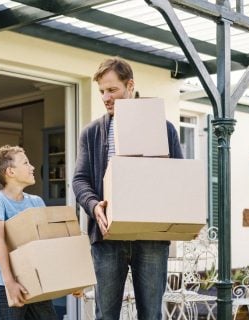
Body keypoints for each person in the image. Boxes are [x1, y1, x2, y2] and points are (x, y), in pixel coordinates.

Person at [73, 57, 184, 320]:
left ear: (130, 85)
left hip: (151, 237)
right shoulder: (91, 133)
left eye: (112, 90)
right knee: (106, 316)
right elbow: (79, 180)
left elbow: (178, 177)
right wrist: (93, 204)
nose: (105, 97)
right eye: (101, 91)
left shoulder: (163, 129)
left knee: (151, 315)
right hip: (108, 237)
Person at [0, 145, 57, 320]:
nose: (32, 167)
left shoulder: (36, 202)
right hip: (6, 285)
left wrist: (67, 282)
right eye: (26, 163)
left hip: (37, 282)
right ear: (11, 172)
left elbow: (47, 244)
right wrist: (10, 283)